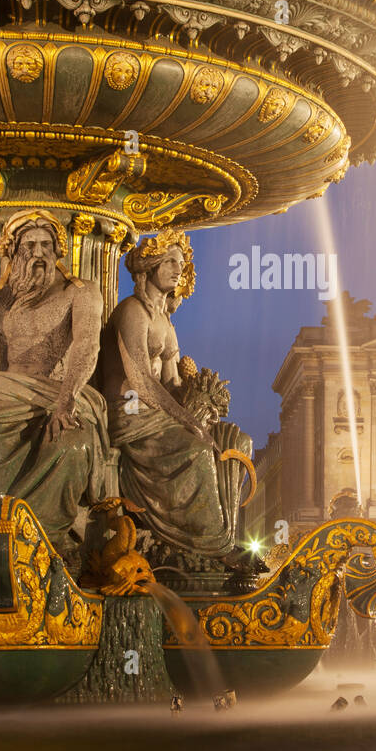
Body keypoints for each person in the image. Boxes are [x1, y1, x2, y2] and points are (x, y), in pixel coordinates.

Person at [0, 210, 107, 571]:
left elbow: (87, 345)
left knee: (74, 444)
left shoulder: (82, 293)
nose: (39, 252)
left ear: (59, 251)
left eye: (46, 244)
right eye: (29, 244)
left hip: (60, 392)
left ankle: (51, 540)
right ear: (12, 252)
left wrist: (67, 400)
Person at [98, 228, 252, 559]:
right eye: (169, 261)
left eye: (180, 263)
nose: (177, 269)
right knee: (195, 446)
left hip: (158, 411)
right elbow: (140, 377)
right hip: (130, 412)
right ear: (148, 267)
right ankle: (205, 542)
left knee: (234, 440)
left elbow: (171, 384)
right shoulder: (132, 311)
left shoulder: (166, 323)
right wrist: (187, 419)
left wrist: (202, 401)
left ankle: (224, 532)